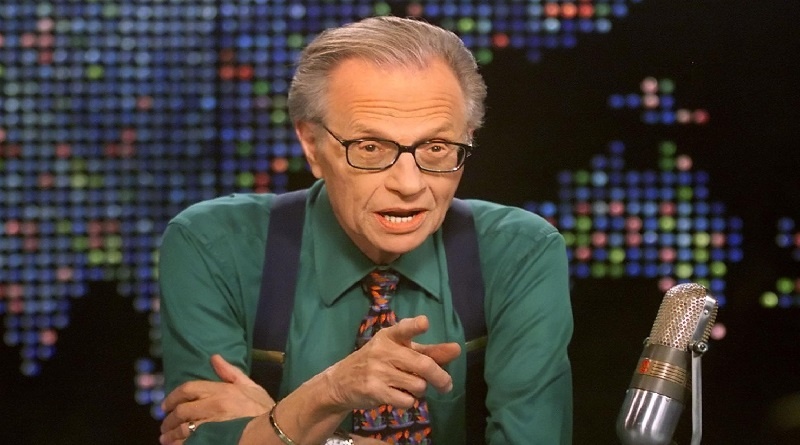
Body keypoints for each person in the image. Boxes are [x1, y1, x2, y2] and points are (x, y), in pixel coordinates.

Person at [158, 15, 572, 445]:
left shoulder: (521, 251)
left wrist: (297, 421)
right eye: (370, 147)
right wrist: (334, 389)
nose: (409, 185)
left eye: (436, 147)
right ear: (311, 144)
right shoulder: (212, 245)